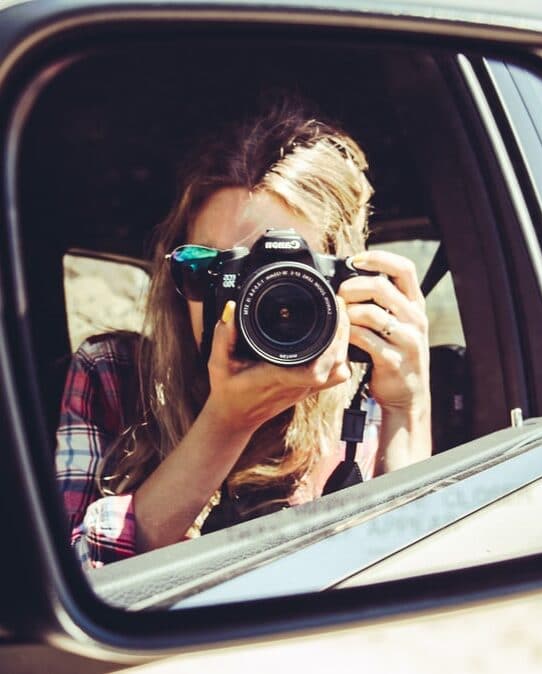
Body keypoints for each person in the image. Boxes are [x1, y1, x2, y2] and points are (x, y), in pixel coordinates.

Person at [55, 104, 432, 569]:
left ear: (341, 282)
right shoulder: (112, 376)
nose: (255, 303)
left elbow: (406, 568)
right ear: (177, 276)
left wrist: (406, 407)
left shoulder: (360, 386)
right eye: (210, 270)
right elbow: (73, 581)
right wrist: (225, 424)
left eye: (282, 276)